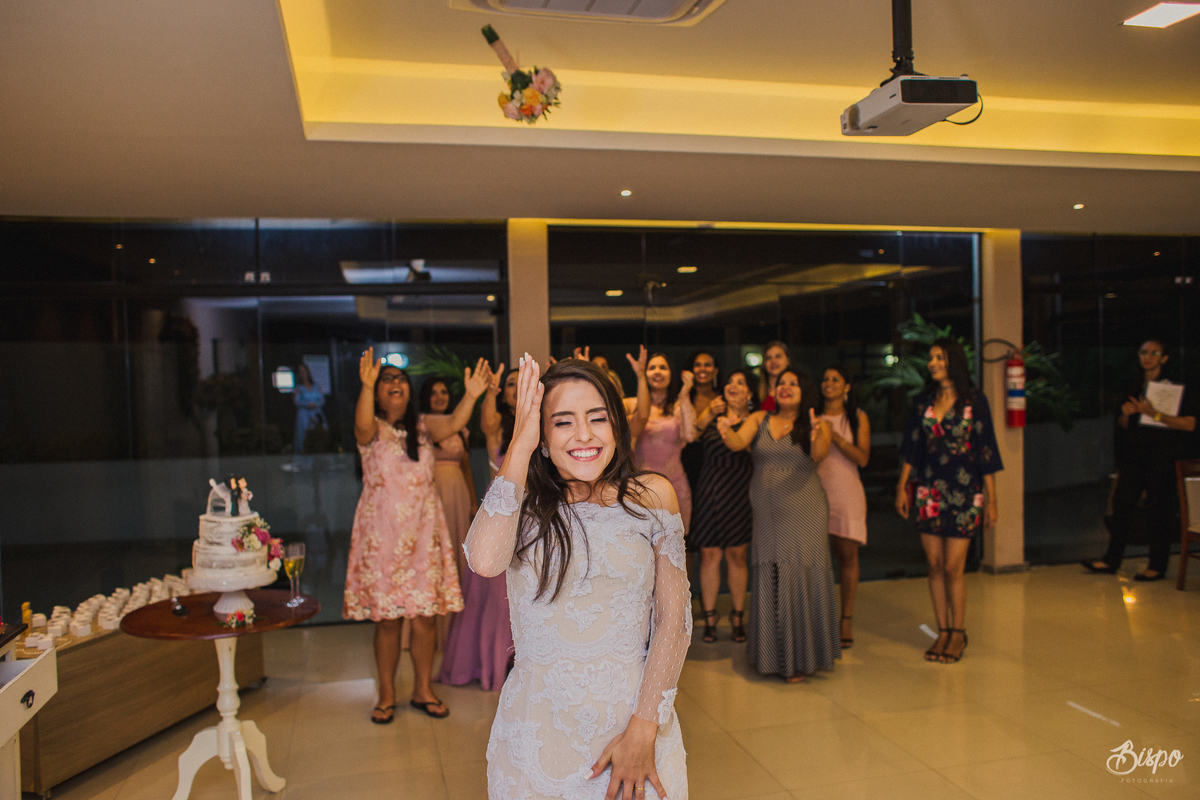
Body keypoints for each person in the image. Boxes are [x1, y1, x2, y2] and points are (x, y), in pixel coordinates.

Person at [464, 356, 690, 799]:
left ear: (617, 427)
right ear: (543, 438)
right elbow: (484, 561)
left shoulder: (652, 496)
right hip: (538, 730)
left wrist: (643, 728)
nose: (584, 435)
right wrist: (520, 443)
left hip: (632, 721)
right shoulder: (521, 505)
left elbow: (674, 621)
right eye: (563, 422)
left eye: (598, 418)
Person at [344, 348, 489, 722]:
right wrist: (366, 385)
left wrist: (472, 395)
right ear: (377, 392)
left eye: (401, 380)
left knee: (425, 617)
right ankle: (386, 694)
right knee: (388, 620)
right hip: (384, 539)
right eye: (387, 380)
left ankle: (423, 690)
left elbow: (455, 422)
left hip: (424, 536)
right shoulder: (371, 430)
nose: (396, 384)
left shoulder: (424, 427)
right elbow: (361, 423)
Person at [717, 368, 839, 682]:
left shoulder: (817, 423)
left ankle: (799, 658)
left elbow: (819, 454)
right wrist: (726, 429)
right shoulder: (760, 418)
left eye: (793, 383)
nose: (785, 387)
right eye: (781, 383)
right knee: (771, 574)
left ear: (805, 390)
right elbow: (737, 443)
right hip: (767, 514)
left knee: (797, 575)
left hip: (804, 511)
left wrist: (816, 434)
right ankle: (772, 655)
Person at [895, 338, 1002, 665]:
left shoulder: (975, 401)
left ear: (953, 361)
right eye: (931, 358)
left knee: (954, 566)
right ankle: (941, 630)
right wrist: (902, 487)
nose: (933, 363)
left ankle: (958, 632)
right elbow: (912, 448)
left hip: (965, 492)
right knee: (934, 564)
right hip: (929, 491)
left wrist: (991, 501)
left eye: (939, 357)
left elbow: (986, 451)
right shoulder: (923, 403)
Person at [1083, 338, 1197, 581]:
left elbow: (1189, 424)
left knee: (1159, 510)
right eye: (1144, 352)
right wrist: (1125, 415)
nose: (1148, 357)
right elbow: (1126, 426)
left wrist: (1154, 413)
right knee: (1122, 505)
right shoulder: (1133, 386)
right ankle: (1111, 559)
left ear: (1164, 358)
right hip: (1134, 456)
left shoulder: (1176, 387)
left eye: (1154, 353)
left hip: (1163, 457)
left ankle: (1157, 565)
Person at [438, 364, 516, 691]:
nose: (515, 388)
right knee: (497, 594)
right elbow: (487, 422)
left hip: (537, 511)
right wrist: (490, 394)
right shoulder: (498, 429)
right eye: (510, 385)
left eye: (520, 383)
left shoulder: (545, 425)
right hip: (502, 510)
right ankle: (493, 663)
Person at [690, 369, 755, 643]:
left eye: (740, 383)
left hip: (738, 491)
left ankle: (738, 616)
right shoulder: (714, 415)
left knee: (737, 555)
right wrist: (708, 414)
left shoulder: (755, 420)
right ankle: (710, 616)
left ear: (750, 392)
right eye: (730, 382)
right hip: (709, 490)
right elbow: (692, 435)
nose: (733, 386)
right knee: (709, 555)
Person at [814, 365, 870, 649]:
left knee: (847, 556)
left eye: (835, 379)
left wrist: (834, 436)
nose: (829, 383)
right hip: (815, 492)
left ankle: (845, 618)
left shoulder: (857, 417)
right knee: (817, 561)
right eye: (825, 379)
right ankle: (819, 619)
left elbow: (862, 458)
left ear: (847, 386)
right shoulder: (812, 415)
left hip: (846, 492)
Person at [628, 354, 697, 533]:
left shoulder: (678, 406)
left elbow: (690, 435)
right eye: (652, 368)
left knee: (674, 542)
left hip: (675, 485)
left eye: (663, 368)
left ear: (671, 374)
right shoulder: (633, 405)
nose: (657, 372)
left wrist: (685, 393)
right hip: (641, 486)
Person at [292, 362, 326, 456]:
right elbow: (296, 402)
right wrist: (307, 404)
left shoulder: (316, 386)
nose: (303, 373)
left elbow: (322, 400)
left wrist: (315, 404)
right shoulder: (298, 388)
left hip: (316, 415)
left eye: (304, 371)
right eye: (300, 372)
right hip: (304, 416)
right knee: (304, 438)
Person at [756, 341, 791, 413]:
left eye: (778, 356)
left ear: (788, 360)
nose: (773, 361)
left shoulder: (798, 389)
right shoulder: (756, 391)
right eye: (768, 358)